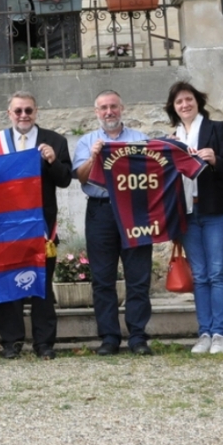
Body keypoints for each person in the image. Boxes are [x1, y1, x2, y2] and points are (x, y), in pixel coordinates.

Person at [0, 91, 72, 361]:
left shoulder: (55, 141)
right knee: (9, 286)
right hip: (7, 227)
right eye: (18, 111)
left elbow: (65, 180)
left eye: (28, 110)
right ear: (9, 113)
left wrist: (52, 161)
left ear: (36, 112)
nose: (24, 115)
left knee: (42, 288)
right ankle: (11, 342)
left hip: (41, 228)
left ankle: (44, 343)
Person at [72, 90, 153, 356]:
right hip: (101, 211)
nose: (109, 112)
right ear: (96, 112)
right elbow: (81, 178)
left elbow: (154, 173)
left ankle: (138, 337)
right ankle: (109, 337)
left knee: (138, 276)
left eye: (113, 106)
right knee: (102, 278)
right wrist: (93, 158)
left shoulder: (140, 139)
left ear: (122, 108)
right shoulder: (87, 141)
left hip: (135, 210)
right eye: (104, 108)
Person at [164, 81, 223, 355]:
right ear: (173, 108)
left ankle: (219, 334)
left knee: (217, 272)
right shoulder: (170, 140)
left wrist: (215, 160)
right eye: (179, 102)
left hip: (216, 210)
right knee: (199, 275)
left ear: (198, 102)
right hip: (186, 212)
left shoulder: (217, 128)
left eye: (189, 99)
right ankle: (204, 333)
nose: (184, 104)